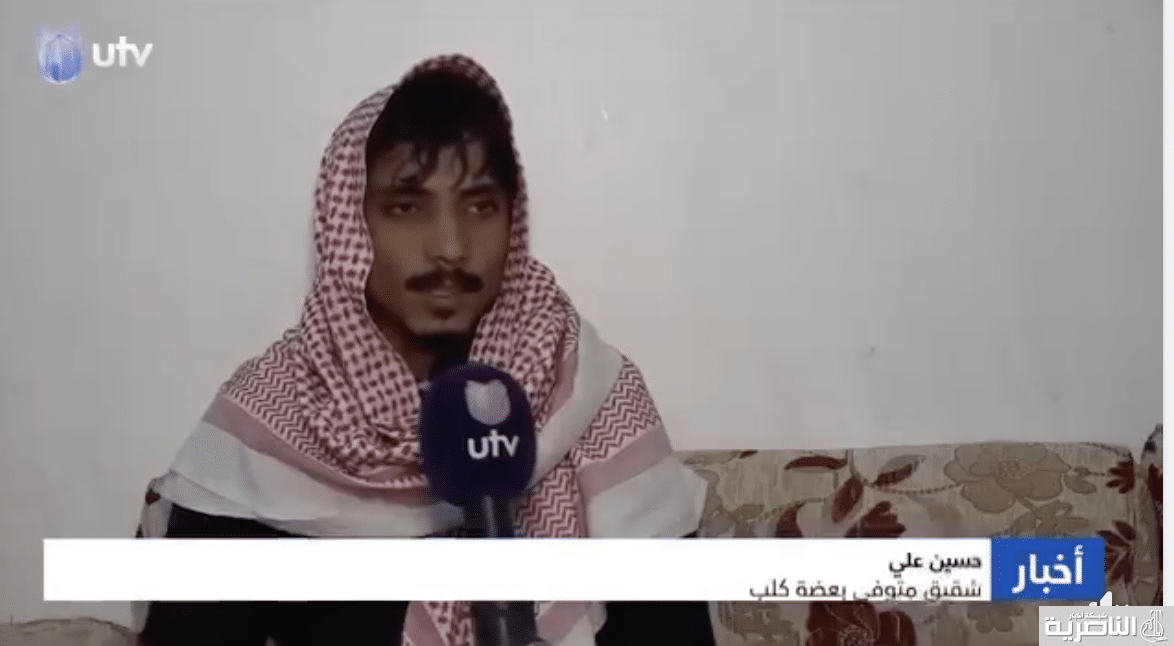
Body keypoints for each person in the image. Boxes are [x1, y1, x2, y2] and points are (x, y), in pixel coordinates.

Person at [131, 54, 715, 646]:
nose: (451, 246)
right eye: (406, 208)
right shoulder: (271, 419)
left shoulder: (590, 390)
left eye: (480, 206)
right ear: (347, 224)